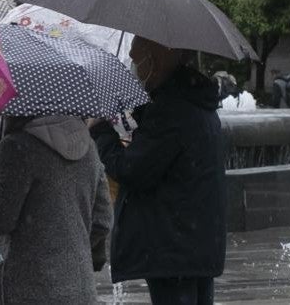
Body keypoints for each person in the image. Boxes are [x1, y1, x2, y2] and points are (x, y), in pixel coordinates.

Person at [92, 37, 226, 305]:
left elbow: (133, 170)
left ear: (156, 59)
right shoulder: (194, 100)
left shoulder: (171, 110)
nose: (133, 63)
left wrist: (100, 132)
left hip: (172, 248)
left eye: (137, 56)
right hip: (193, 243)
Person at [0, 116, 112, 305]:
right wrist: (71, 252)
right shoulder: (88, 146)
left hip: (26, 289)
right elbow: (103, 220)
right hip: (79, 287)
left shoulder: (17, 147)